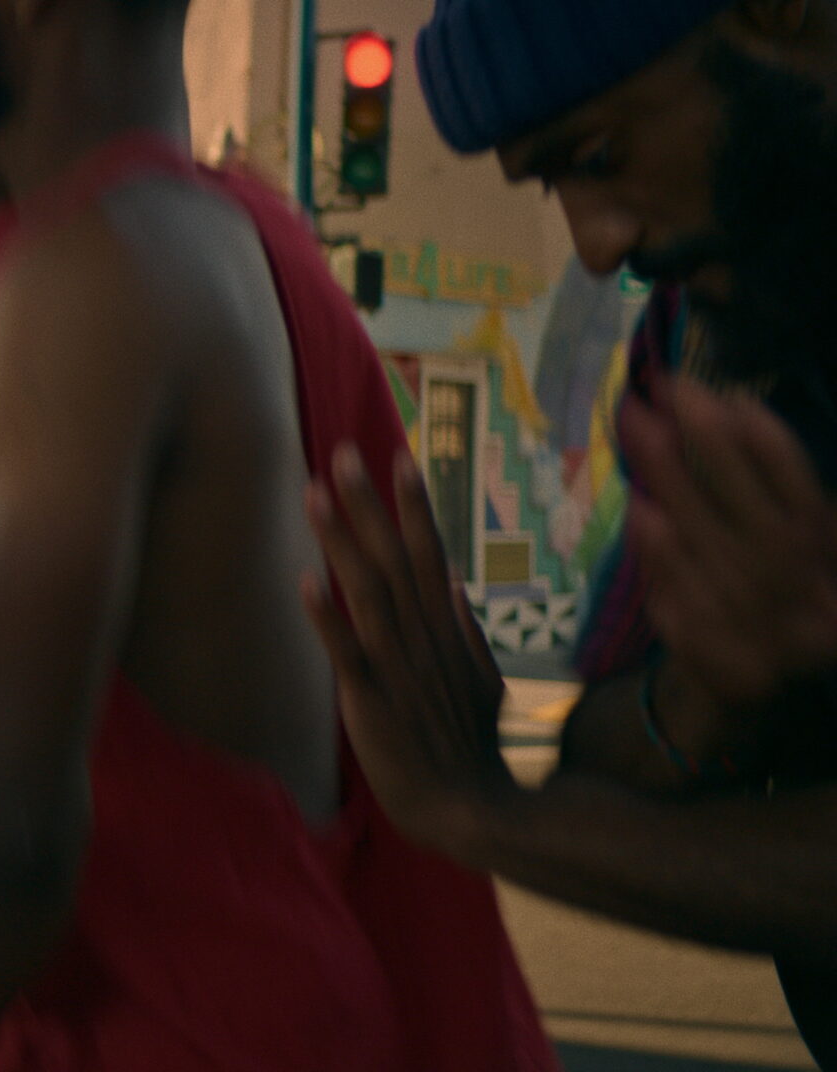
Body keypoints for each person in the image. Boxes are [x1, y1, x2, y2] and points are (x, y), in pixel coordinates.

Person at [0, 1, 558, 1068]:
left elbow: (15, 814)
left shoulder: (92, 271)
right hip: (295, 1007)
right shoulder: (227, 232)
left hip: (171, 1032)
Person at [305, 0, 837, 1061]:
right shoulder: (702, 342)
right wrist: (709, 693)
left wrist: (481, 815)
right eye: (551, 182)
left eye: (601, 154)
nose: (596, 247)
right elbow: (601, 755)